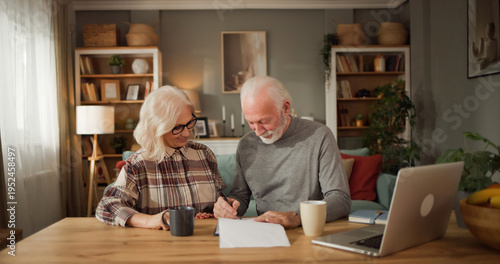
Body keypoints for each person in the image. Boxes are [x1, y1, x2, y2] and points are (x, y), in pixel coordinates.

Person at [213, 76, 350, 228]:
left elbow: (340, 199)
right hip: (265, 232)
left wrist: (297, 217)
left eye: (264, 121)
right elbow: (240, 197)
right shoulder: (246, 145)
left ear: (285, 108)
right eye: (251, 122)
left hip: (307, 230)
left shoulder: (319, 136)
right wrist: (229, 206)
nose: (258, 132)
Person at [96, 86, 226, 230]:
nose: (186, 133)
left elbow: (219, 199)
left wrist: (219, 208)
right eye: (177, 127)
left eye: (189, 123)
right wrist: (150, 220)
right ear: (156, 127)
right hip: (158, 247)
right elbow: (106, 207)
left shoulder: (204, 154)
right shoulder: (139, 164)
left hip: (205, 242)